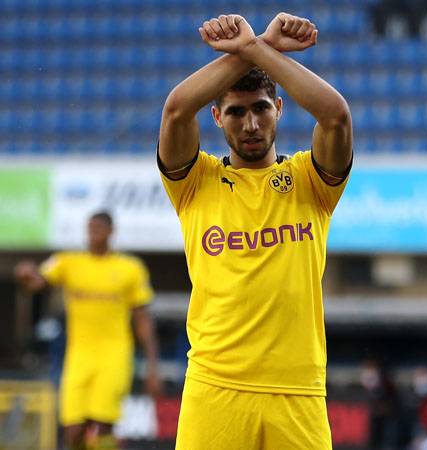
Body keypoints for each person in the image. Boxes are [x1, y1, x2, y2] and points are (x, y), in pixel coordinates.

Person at [158, 12, 352, 449]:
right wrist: (260, 45)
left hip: (298, 392)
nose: (250, 125)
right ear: (216, 116)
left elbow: (336, 116)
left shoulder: (311, 181)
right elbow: (176, 109)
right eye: (236, 112)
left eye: (261, 108)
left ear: (279, 109)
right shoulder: (195, 183)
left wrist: (257, 48)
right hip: (215, 387)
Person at [14, 211, 161, 450]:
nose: (94, 233)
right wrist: (24, 275)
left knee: (102, 427)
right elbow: (35, 283)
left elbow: (143, 320)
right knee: (73, 431)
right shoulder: (68, 262)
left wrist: (152, 367)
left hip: (114, 356)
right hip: (79, 357)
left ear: (111, 232)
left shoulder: (130, 268)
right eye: (91, 228)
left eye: (99, 228)